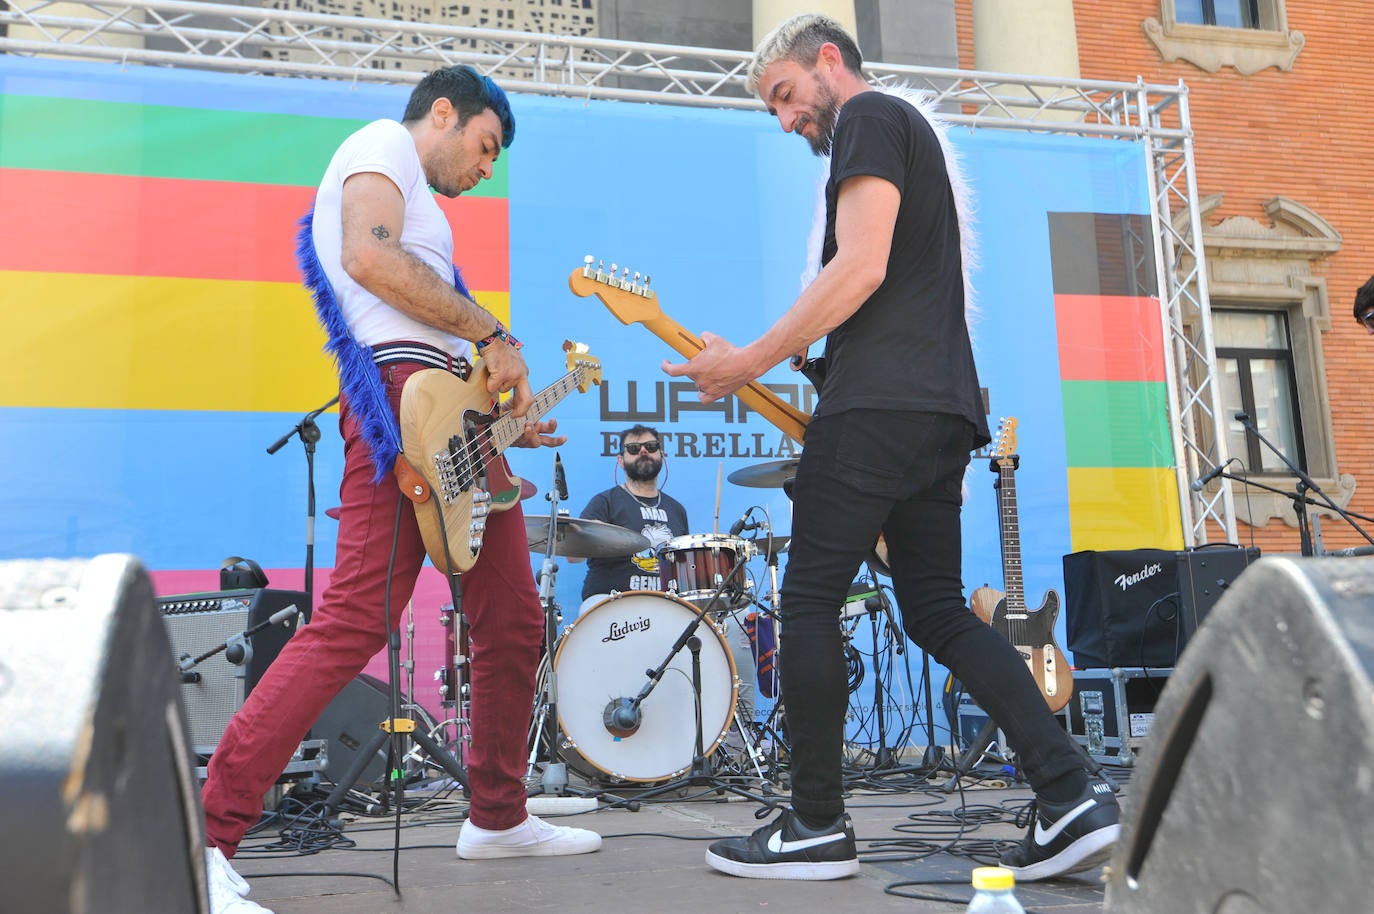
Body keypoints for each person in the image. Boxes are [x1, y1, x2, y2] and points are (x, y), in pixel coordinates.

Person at [663, 14, 1119, 882]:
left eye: (788, 97)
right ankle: (1071, 796)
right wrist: (802, 356)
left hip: (879, 408)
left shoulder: (870, 119)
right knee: (938, 610)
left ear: (828, 62)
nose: (788, 120)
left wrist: (747, 360)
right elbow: (885, 283)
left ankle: (816, 825)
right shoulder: (902, 137)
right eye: (775, 112)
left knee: (805, 604)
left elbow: (861, 265)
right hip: (938, 408)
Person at [201, 66, 600, 914]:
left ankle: (497, 814)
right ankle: (206, 833)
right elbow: (365, 257)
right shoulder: (381, 145)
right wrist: (494, 330)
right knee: (355, 619)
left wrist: (502, 420)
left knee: (514, 618)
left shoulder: (429, 217)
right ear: (443, 113)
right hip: (396, 408)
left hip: (448, 415)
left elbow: (427, 322)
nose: (487, 168)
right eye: (486, 145)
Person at [577, 425, 757, 728]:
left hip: (667, 608)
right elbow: (573, 551)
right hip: (614, 602)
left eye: (650, 446)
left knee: (728, 631)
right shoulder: (605, 502)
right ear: (620, 461)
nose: (643, 452)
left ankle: (724, 735)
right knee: (589, 612)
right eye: (633, 449)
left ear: (662, 454)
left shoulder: (676, 509)